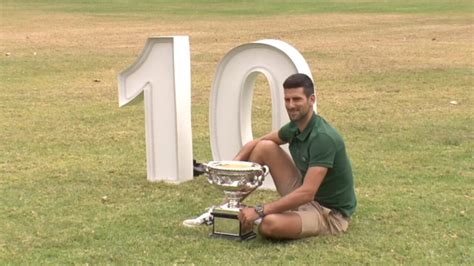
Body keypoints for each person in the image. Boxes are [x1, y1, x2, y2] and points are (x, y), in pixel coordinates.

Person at [183, 73, 356, 239]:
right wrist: (233, 166)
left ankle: (251, 215)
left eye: (297, 99)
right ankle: (225, 208)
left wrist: (259, 210)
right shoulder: (296, 126)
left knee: (269, 225)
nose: (291, 105)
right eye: (287, 99)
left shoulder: (323, 137)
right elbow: (258, 142)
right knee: (265, 147)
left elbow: (307, 193)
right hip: (304, 197)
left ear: (312, 100)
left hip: (327, 213)